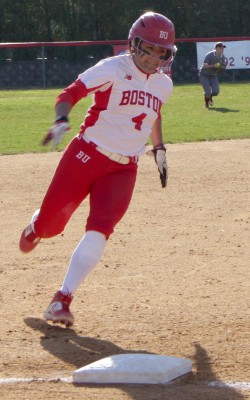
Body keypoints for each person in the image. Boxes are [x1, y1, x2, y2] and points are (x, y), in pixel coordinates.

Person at [19, 12, 176, 327]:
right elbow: (70, 93)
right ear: (133, 44)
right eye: (147, 49)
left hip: (123, 169)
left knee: (101, 229)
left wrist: (158, 148)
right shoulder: (112, 68)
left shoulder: (164, 84)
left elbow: (152, 113)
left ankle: (62, 298)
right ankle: (37, 226)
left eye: (160, 52)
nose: (152, 57)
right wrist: (62, 119)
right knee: (52, 226)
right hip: (86, 155)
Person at [198, 42, 227, 108]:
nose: (222, 49)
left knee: (216, 91)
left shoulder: (222, 57)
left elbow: (222, 68)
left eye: (223, 48)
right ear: (216, 48)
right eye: (220, 48)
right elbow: (205, 66)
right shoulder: (210, 55)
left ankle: (209, 97)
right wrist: (214, 66)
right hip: (204, 75)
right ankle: (206, 104)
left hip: (213, 75)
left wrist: (222, 68)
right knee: (207, 91)